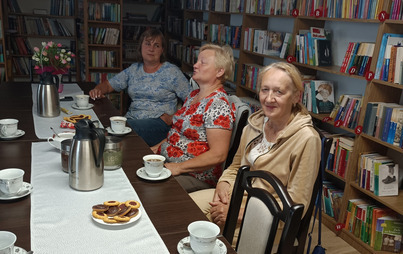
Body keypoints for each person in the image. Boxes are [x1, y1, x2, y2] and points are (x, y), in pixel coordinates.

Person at [190, 62, 321, 234]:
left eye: (279, 91)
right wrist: (223, 185)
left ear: (296, 96)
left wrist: (238, 213)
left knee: (209, 238)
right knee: (182, 209)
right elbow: (236, 166)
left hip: (272, 217)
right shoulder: (255, 123)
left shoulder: (307, 139)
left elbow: (297, 204)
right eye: (265, 90)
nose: (268, 98)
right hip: (240, 197)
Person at [152, 44, 236, 193]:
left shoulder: (218, 105)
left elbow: (219, 154)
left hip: (194, 175)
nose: (195, 65)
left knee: (149, 189)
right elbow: (177, 134)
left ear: (219, 71)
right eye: (197, 61)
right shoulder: (193, 96)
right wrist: (154, 148)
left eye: (202, 62)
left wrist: (178, 167)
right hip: (168, 163)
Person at [89, 29, 191, 146]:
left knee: (112, 133)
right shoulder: (133, 69)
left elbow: (194, 100)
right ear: (140, 47)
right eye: (147, 44)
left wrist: (174, 118)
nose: (151, 49)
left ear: (162, 50)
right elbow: (108, 85)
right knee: (101, 125)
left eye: (156, 45)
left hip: (158, 124)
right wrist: (98, 90)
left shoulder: (172, 71)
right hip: (131, 120)